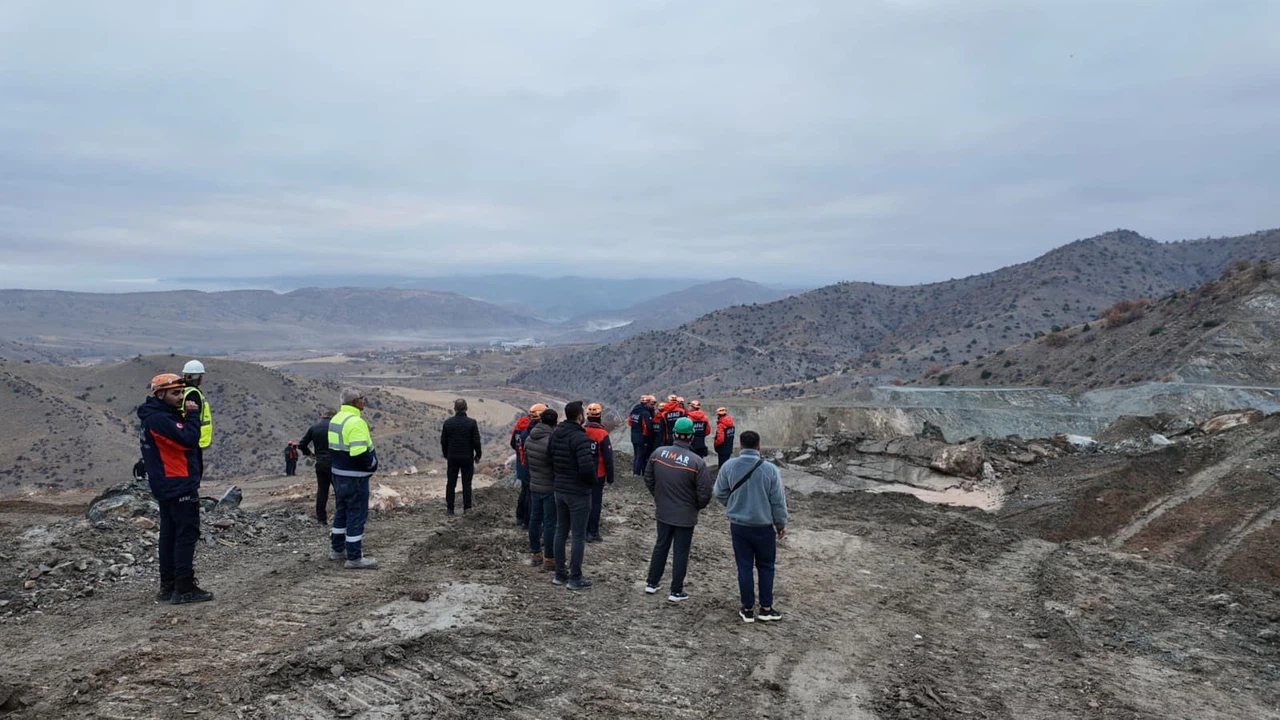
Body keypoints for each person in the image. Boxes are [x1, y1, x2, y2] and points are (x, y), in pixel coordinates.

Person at [138, 373, 211, 604]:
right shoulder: (160, 419)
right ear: (160, 394)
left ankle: (168, 586)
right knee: (185, 535)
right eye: (175, 393)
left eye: (182, 392)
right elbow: (189, 439)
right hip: (177, 483)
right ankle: (184, 587)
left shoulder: (156, 416)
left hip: (167, 483)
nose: (181, 397)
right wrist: (191, 415)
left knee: (169, 535)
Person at [713, 430, 787, 623]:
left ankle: (747, 609)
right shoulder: (770, 470)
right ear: (759, 446)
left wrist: (734, 505)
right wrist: (780, 524)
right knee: (766, 567)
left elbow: (719, 491)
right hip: (763, 527)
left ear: (740, 446)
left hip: (739, 526)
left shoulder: (729, 466)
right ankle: (766, 608)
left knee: (744, 567)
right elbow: (778, 501)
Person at [643, 417, 713, 602]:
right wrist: (695, 506)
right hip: (685, 515)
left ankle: (652, 582)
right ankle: (675, 591)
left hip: (663, 511)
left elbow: (648, 478)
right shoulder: (697, 462)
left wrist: (659, 497)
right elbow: (705, 493)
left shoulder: (658, 453)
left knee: (661, 546)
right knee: (681, 551)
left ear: (674, 434)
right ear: (691, 437)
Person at [547, 401, 597, 590]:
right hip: (578, 492)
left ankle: (560, 574)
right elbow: (586, 467)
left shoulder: (556, 434)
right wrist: (592, 481)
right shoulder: (580, 438)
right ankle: (575, 577)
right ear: (579, 416)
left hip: (559, 488)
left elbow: (549, 457)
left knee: (561, 531)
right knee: (577, 535)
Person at [328, 387, 380, 569]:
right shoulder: (356, 422)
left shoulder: (336, 419)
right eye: (361, 398)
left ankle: (336, 549)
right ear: (354, 402)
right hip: (355, 478)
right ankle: (354, 558)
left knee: (341, 512)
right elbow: (359, 452)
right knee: (356, 516)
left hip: (338, 475)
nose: (364, 401)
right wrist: (372, 464)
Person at [524, 407, 558, 572]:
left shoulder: (529, 438)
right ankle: (550, 559)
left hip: (534, 485)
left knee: (534, 520)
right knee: (550, 524)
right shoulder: (551, 440)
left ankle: (535, 554)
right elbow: (556, 465)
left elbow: (527, 463)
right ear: (554, 423)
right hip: (550, 487)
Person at [440, 398, 482, 516]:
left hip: (452, 457)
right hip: (467, 457)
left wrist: (446, 455)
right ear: (466, 408)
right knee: (466, 483)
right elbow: (476, 441)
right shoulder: (471, 423)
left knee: (451, 483)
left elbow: (443, 441)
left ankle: (450, 509)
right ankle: (467, 508)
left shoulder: (448, 423)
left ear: (454, 409)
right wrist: (478, 455)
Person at [582, 403, 615, 543]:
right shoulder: (602, 434)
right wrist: (610, 476)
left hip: (582, 473)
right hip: (598, 474)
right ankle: (592, 532)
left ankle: (582, 531)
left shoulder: (581, 431)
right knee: (595, 504)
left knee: (583, 503)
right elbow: (608, 458)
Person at [512, 403, 546, 528]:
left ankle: (520, 517)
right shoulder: (534, 432)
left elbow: (513, 444)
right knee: (530, 494)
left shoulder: (520, 428)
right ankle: (528, 520)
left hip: (521, 464)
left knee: (524, 491)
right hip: (532, 467)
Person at [298, 412, 333, 524]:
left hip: (320, 462)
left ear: (323, 416)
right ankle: (341, 518)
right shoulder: (336, 427)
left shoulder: (314, 428)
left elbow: (302, 444)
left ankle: (321, 519)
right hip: (334, 463)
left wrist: (310, 454)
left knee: (322, 490)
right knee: (339, 490)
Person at [180, 360, 213, 458]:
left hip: (187, 437)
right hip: (194, 439)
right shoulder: (193, 393)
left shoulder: (182, 391)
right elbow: (193, 417)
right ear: (198, 377)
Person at [628, 394, 655, 476]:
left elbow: (630, 422)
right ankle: (638, 473)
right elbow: (649, 427)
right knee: (641, 456)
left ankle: (635, 472)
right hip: (642, 437)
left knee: (636, 455)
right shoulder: (645, 413)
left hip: (633, 435)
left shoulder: (635, 410)